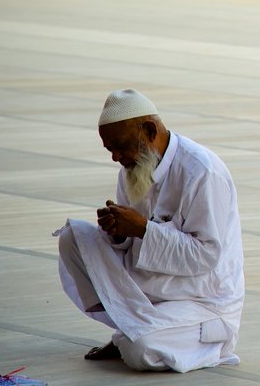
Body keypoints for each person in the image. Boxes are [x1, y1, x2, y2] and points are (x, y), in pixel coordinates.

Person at [55, 88, 245, 372]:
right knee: (73, 238)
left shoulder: (202, 172)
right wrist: (118, 233)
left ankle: (138, 337)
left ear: (149, 130)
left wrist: (143, 229)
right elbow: (132, 241)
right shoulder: (132, 167)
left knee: (141, 351)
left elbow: (206, 256)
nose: (116, 157)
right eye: (110, 150)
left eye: (121, 146)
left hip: (201, 300)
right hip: (150, 293)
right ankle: (131, 328)